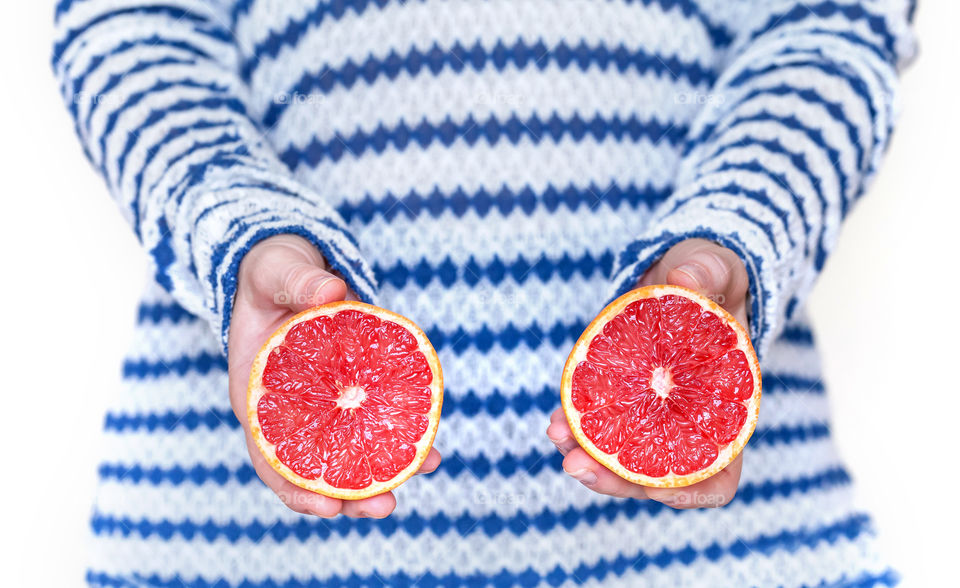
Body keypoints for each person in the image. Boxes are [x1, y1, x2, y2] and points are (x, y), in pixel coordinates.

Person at [53, 0, 916, 585]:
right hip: (231, 546)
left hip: (729, 554)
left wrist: (737, 238)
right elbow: (129, 30)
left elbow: (826, 28)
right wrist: (237, 235)